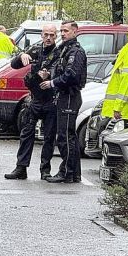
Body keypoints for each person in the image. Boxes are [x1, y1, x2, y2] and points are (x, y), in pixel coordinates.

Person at [5, 23, 59, 181]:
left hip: (51, 99)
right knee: (26, 133)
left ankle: (45, 170)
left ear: (56, 36)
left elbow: (62, 73)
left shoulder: (59, 52)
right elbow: (14, 65)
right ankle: (21, 168)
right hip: (35, 98)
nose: (48, 38)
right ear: (42, 35)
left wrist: (49, 75)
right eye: (46, 35)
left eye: (52, 35)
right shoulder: (35, 50)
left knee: (49, 137)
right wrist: (21, 56)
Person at [40, 20, 87, 183]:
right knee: (69, 136)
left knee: (65, 136)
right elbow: (59, 68)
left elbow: (71, 75)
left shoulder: (75, 51)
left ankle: (66, 172)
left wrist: (52, 82)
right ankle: (74, 174)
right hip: (64, 95)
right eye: (61, 31)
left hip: (69, 96)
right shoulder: (65, 49)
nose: (62, 33)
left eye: (66, 31)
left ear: (75, 32)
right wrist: (49, 75)